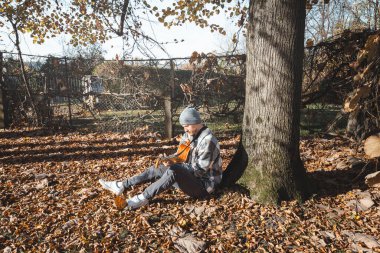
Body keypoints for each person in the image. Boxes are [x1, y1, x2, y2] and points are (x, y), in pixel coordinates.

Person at [99, 106, 223, 209]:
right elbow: (180, 156)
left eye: (187, 126)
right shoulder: (188, 135)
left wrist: (175, 166)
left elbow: (199, 170)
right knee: (157, 168)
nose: (185, 129)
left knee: (174, 170)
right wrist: (168, 159)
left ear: (195, 122)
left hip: (204, 186)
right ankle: (122, 185)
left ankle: (142, 198)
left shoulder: (208, 141)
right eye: (184, 126)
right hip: (191, 177)